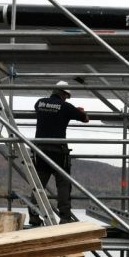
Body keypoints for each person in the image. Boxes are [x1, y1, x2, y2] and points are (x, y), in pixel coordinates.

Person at [29, 81, 89, 225]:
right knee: (63, 185)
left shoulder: (40, 103)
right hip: (58, 151)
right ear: (64, 95)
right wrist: (79, 111)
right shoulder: (66, 107)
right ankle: (65, 217)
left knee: (39, 185)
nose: (66, 99)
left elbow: (42, 111)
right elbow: (85, 119)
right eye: (67, 96)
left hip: (41, 150)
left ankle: (34, 216)